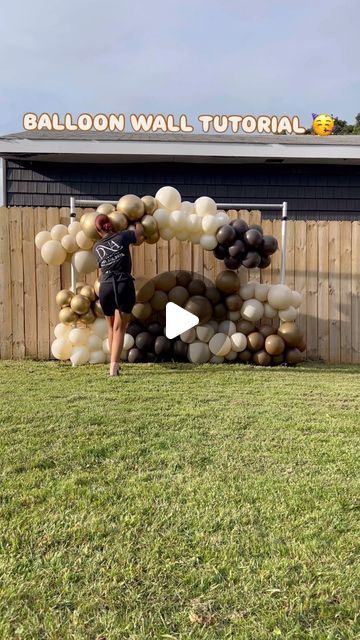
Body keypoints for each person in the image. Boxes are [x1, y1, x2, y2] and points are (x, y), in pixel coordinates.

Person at [93, 214, 144, 376]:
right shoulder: (123, 236)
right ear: (112, 224)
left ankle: (113, 364)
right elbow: (139, 233)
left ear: (97, 230)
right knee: (120, 328)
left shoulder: (96, 247)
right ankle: (113, 368)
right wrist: (137, 221)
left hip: (105, 286)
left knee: (111, 326)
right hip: (123, 284)